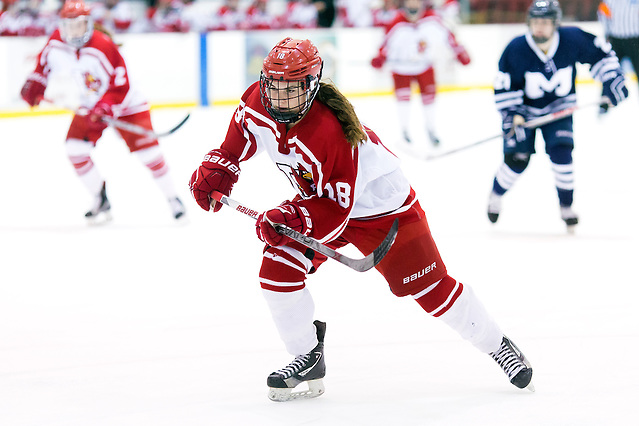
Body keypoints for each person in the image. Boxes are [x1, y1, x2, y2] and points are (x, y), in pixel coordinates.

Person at [189, 37, 534, 402]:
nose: (278, 97)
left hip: (384, 213)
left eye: (291, 88)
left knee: (432, 290)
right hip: (321, 203)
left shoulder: (330, 132)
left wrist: (291, 217)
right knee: (276, 271)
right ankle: (307, 355)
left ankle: (497, 344)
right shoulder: (259, 99)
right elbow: (242, 133)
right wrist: (221, 164)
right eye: (273, 84)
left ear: (311, 84)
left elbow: (337, 213)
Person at [20, 0, 186, 223]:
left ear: (88, 23)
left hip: (127, 105)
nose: (72, 31)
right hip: (90, 105)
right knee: (75, 149)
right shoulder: (57, 41)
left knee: (149, 155)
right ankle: (100, 198)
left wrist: (106, 107)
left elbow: (122, 85)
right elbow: (44, 64)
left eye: (77, 24)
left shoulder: (103, 45)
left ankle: (173, 198)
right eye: (67, 25)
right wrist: (36, 82)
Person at [488, 0, 628, 231]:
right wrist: (513, 114)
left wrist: (612, 80)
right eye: (535, 22)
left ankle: (566, 207)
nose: (539, 27)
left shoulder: (572, 39)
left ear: (555, 24)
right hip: (524, 114)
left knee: (562, 154)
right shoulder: (516, 48)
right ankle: (495, 195)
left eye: (545, 22)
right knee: (517, 161)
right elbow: (504, 84)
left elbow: (602, 56)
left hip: (560, 110)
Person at [371, 0, 471, 146]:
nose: (413, 6)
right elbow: (385, 43)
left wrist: (460, 53)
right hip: (401, 69)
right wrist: (380, 57)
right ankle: (404, 131)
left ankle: (431, 129)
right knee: (403, 101)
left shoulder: (433, 19)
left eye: (416, 2)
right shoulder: (396, 21)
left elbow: (450, 37)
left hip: (424, 66)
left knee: (429, 99)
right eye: (410, 3)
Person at [597, 0, 639, 114]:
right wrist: (606, 33)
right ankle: (604, 102)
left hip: (636, 40)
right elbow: (603, 14)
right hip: (616, 41)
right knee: (610, 72)